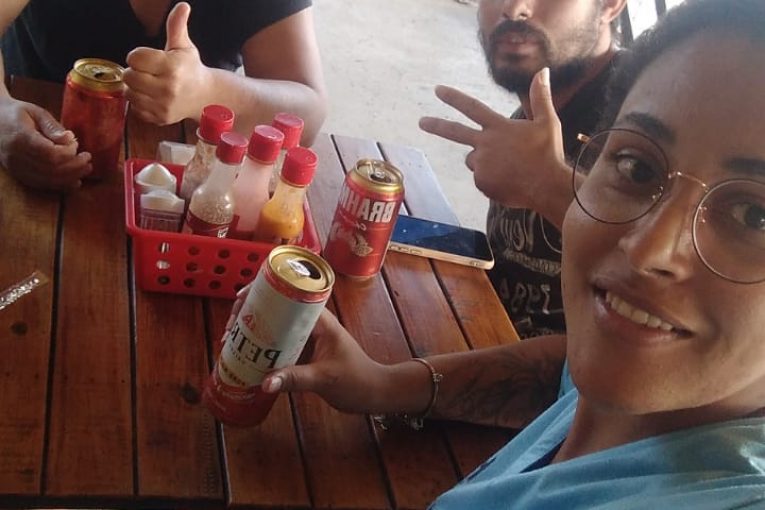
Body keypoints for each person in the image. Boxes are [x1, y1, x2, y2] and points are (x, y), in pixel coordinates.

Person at [252, 0, 765, 507]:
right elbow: (566, 371)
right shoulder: (643, 364)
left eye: (755, 216)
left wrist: (548, 183)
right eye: (637, 168)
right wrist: (387, 385)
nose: (647, 249)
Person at [420, 0, 627, 338]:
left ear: (610, 5)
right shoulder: (529, 118)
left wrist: (548, 185)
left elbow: (678, 297)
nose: (514, 8)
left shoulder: (645, 121)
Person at [0, 0, 327, 191]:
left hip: (184, 186)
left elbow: (308, 111)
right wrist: (2, 113)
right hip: (30, 148)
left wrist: (209, 91)